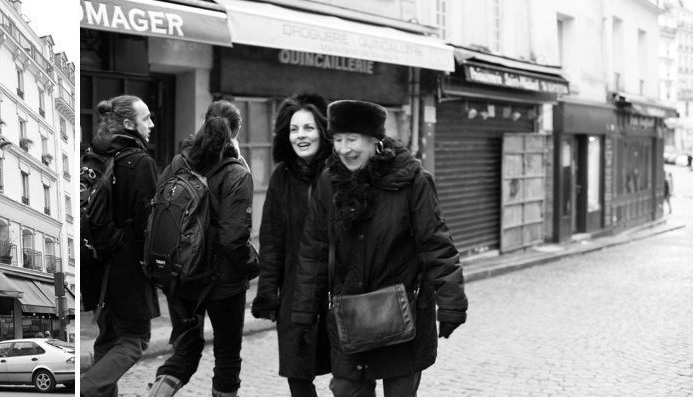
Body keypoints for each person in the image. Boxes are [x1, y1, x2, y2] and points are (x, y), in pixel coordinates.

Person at [291, 100, 468, 397]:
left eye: (352, 139)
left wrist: (451, 304)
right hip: (348, 319)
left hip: (402, 317)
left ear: (375, 141)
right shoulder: (329, 182)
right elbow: (314, 250)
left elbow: (435, 244)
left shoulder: (413, 181)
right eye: (337, 140)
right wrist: (303, 314)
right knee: (347, 390)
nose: (344, 149)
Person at [148, 100, 255, 397]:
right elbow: (233, 240)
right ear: (235, 130)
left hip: (181, 276)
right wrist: (253, 264)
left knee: (184, 351)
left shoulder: (178, 162)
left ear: (205, 123)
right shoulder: (237, 173)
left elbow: (158, 213)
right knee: (227, 357)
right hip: (224, 284)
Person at [251, 93, 333, 396]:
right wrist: (268, 295)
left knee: (349, 377)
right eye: (294, 129)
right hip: (296, 292)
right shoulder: (282, 177)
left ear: (323, 130)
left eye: (308, 128)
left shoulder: (339, 172)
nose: (301, 136)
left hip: (337, 290)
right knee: (298, 377)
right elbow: (271, 240)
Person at [81, 95, 161, 397]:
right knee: (135, 339)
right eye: (146, 118)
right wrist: (155, 271)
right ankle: (86, 391)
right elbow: (147, 226)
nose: (151, 124)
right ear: (129, 124)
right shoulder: (140, 163)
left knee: (108, 340)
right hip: (127, 268)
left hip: (95, 264)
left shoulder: (92, 157)